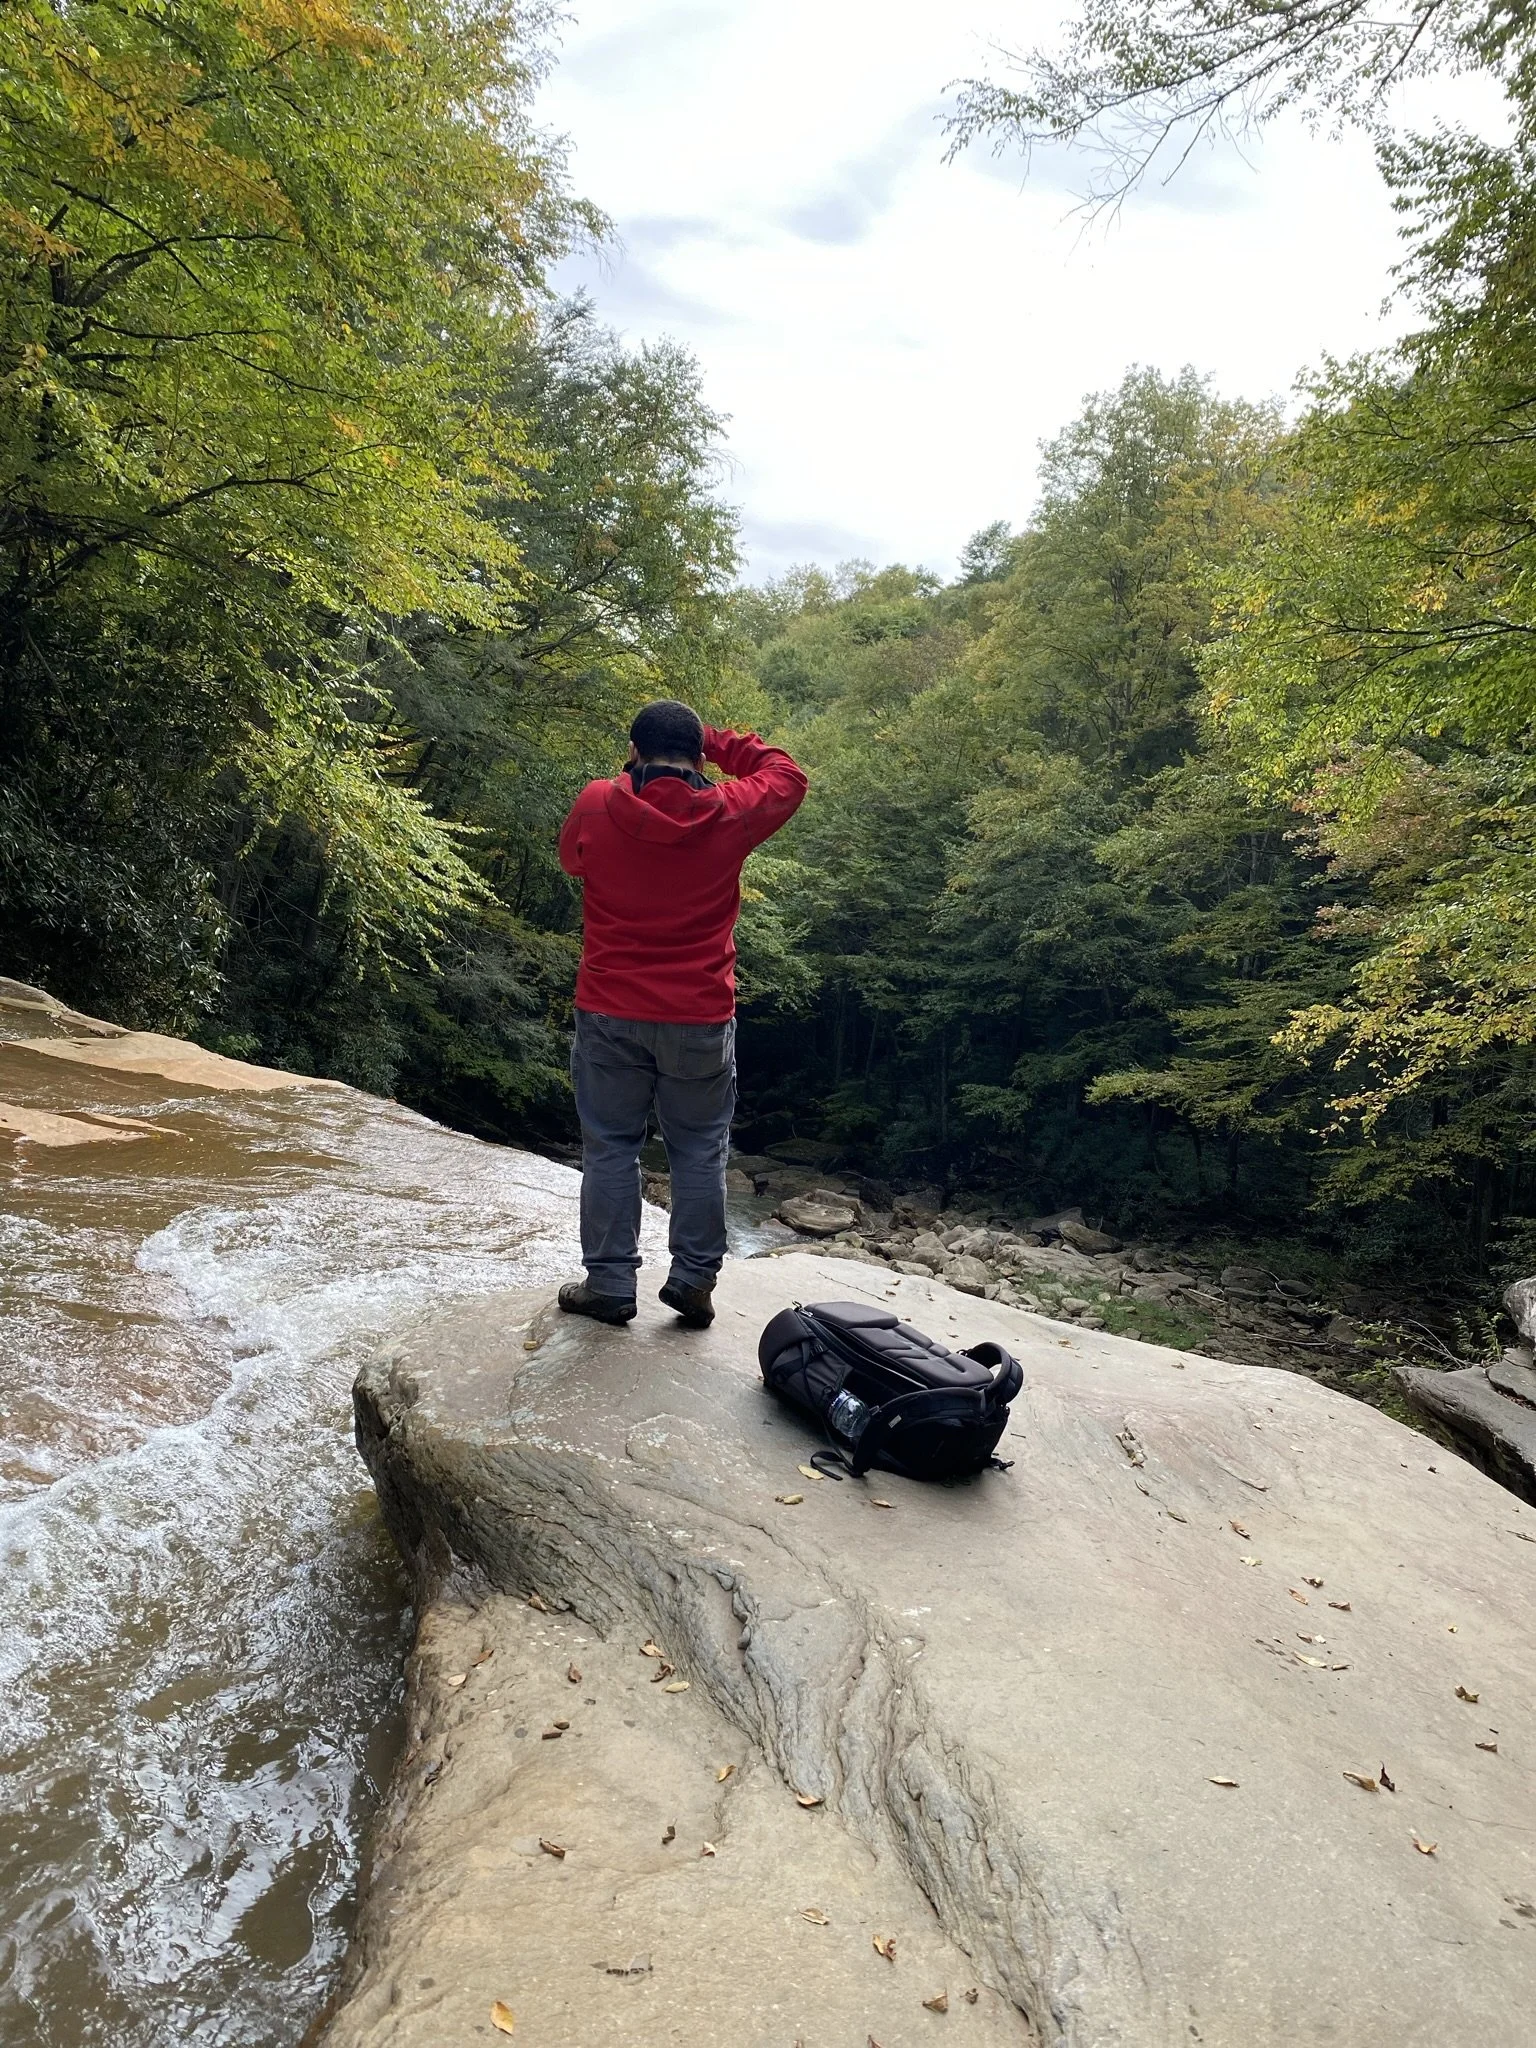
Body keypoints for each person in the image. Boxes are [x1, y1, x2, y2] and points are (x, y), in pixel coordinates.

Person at [556, 699, 808, 1328]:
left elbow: (572, 861)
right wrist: (717, 742)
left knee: (611, 1146)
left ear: (634, 751)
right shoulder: (729, 812)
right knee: (698, 1148)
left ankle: (610, 1285)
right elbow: (788, 775)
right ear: (698, 757)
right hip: (699, 1014)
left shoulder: (596, 801)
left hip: (610, 1008)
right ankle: (694, 1281)